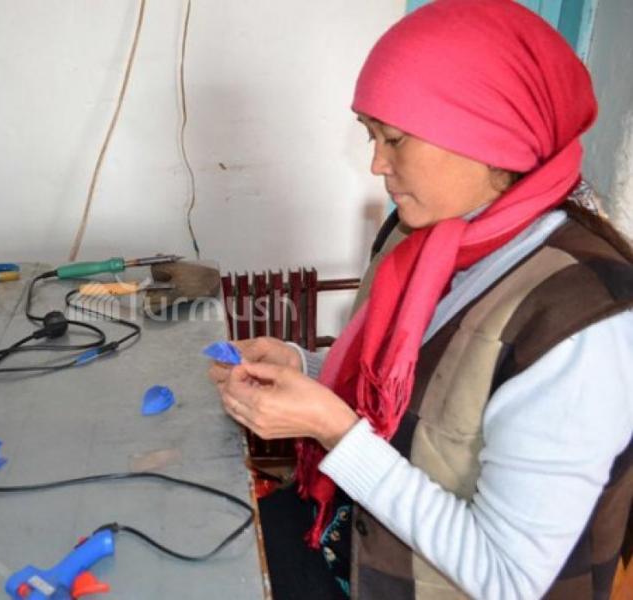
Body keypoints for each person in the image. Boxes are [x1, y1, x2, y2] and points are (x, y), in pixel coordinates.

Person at [208, 1, 633, 599]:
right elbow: (424, 389)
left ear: (488, 136)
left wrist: (334, 430)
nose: (376, 163)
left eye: (394, 139)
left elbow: (508, 580)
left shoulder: (582, 321)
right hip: (350, 537)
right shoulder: (423, 237)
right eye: (371, 135)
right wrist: (305, 367)